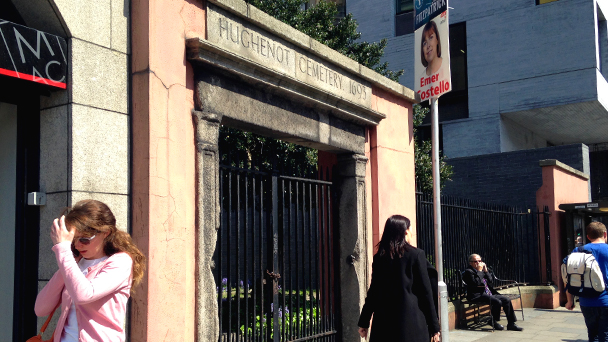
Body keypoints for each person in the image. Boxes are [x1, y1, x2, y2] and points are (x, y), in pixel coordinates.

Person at [34, 200, 146, 342]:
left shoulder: (120, 261)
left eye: (85, 239)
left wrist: (63, 250)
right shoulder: (73, 262)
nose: (78, 245)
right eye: (74, 240)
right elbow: (41, 309)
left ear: (106, 232)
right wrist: (67, 260)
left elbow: (84, 294)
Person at [358, 215, 440, 342]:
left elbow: (374, 291)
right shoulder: (416, 255)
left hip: (384, 322)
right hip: (412, 323)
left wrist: (364, 321)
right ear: (406, 231)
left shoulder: (380, 257)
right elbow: (426, 293)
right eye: (411, 228)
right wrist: (435, 326)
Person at [565, 221, 608, 342]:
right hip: (606, 301)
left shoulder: (577, 251)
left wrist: (570, 301)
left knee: (592, 334)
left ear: (588, 236)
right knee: (605, 334)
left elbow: (568, 277)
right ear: (605, 234)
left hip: (586, 301)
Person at [463, 254, 523, 331]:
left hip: (487, 293)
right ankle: (493, 321)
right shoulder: (469, 272)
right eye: (475, 261)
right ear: (470, 263)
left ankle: (511, 324)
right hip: (476, 295)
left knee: (506, 300)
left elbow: (490, 281)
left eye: (480, 261)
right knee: (497, 302)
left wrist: (486, 271)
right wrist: (479, 271)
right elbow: (476, 283)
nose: (478, 263)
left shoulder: (481, 270)